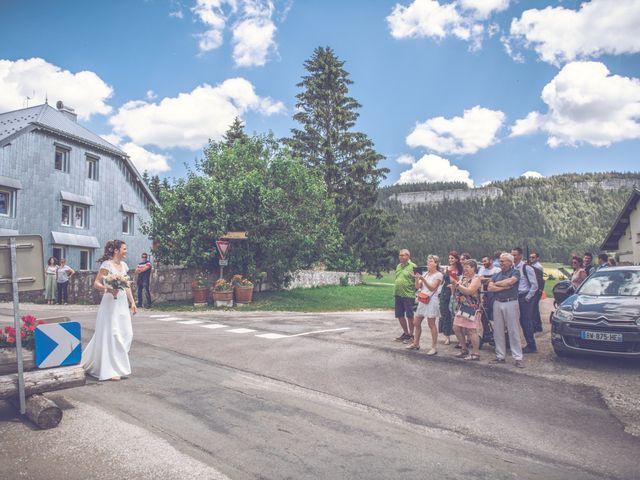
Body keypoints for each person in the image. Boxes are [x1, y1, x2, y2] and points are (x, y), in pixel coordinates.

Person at [82, 240, 138, 381]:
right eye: (124, 249)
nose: (126, 251)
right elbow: (96, 283)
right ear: (116, 250)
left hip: (121, 303)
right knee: (113, 334)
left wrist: (132, 302)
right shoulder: (107, 264)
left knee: (127, 333)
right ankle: (111, 370)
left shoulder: (124, 266)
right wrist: (108, 289)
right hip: (110, 303)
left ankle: (117, 364)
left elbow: (127, 286)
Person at [488, 253, 524, 368]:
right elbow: (489, 287)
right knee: (498, 330)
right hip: (498, 302)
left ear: (510, 262)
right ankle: (500, 355)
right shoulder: (497, 274)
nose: (501, 263)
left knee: (513, 330)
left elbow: (510, 282)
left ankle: (518, 357)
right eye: (500, 261)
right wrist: (504, 287)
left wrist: (497, 284)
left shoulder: (515, 272)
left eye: (503, 261)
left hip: (511, 302)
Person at [407, 255, 443, 355]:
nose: (428, 263)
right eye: (428, 261)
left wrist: (423, 279)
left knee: (431, 324)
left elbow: (432, 288)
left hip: (432, 300)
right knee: (416, 322)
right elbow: (417, 286)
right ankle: (416, 343)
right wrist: (416, 278)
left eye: (431, 261)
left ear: (436, 263)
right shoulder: (426, 273)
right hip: (423, 300)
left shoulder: (439, 275)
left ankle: (434, 347)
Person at [451, 259, 483, 360]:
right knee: (456, 328)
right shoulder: (463, 278)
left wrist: (457, 285)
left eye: (467, 267)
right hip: (462, 307)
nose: (465, 269)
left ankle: (476, 353)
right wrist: (454, 285)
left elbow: (469, 291)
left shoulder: (476, 279)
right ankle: (464, 349)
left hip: (472, 307)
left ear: (473, 268)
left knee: (472, 330)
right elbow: (456, 291)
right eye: (464, 267)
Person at [512, 247, 538, 353]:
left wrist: (527, 297)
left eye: (515, 255)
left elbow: (534, 285)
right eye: (512, 255)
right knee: (517, 321)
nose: (513, 257)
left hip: (524, 297)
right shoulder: (513, 268)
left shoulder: (526, 268)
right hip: (515, 296)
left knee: (526, 321)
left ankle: (531, 345)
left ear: (520, 256)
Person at [394, 249, 416, 343]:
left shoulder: (413, 266)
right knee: (399, 315)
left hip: (408, 295)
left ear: (408, 256)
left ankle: (411, 335)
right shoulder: (398, 266)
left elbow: (417, 280)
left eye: (403, 255)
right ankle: (406, 333)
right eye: (400, 255)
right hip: (398, 294)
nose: (400, 257)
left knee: (410, 315)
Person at [440, 251, 462, 346]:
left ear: (456, 259)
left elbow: (458, 281)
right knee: (445, 314)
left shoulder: (459, 270)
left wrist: (454, 283)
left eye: (452, 258)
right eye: (449, 258)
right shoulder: (446, 269)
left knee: (455, 315)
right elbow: (442, 281)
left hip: (455, 292)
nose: (450, 260)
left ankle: (460, 337)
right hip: (445, 292)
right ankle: (447, 336)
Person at [528, 250, 545, 333]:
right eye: (530, 257)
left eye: (533, 257)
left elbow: (539, 279)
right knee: (534, 308)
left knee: (534, 308)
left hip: (537, 289)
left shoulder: (538, 266)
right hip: (535, 288)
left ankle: (536, 326)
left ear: (537, 258)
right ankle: (536, 325)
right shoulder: (531, 265)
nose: (531, 259)